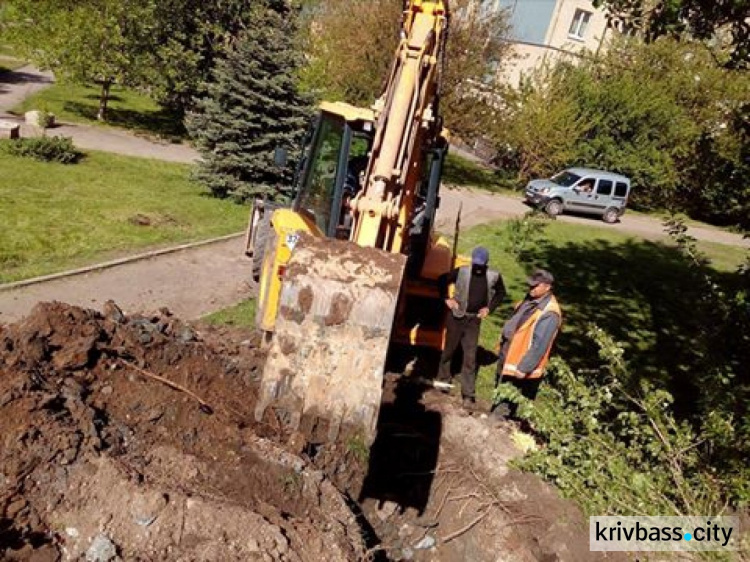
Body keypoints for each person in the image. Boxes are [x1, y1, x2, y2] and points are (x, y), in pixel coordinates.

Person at [437, 247, 506, 408]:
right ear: (472, 261)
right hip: (456, 317)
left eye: (481, 265)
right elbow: (442, 280)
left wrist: (489, 308)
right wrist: (446, 299)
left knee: (470, 357)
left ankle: (468, 394)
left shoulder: (494, 276)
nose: (478, 268)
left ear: (486, 263)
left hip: (473, 321)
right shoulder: (462, 271)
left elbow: (501, 293)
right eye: (476, 264)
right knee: (449, 351)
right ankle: (442, 382)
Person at [491, 268, 561, 422]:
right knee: (500, 391)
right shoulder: (532, 299)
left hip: (520, 363)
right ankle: (495, 418)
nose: (531, 289)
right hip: (509, 355)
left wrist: (524, 367)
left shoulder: (549, 313)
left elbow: (540, 345)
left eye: (535, 286)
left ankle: (496, 426)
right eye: (530, 285)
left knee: (508, 397)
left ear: (547, 287)